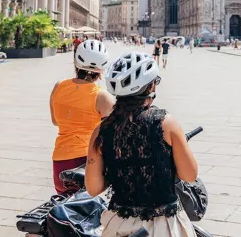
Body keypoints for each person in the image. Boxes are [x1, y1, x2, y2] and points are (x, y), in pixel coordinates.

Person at [86, 52, 199, 236]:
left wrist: (118, 169)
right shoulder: (166, 123)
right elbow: (190, 175)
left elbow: (93, 188)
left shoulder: (101, 131)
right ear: (151, 86)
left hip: (119, 225)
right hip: (164, 226)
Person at [49, 39, 116, 195]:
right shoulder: (102, 97)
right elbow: (115, 134)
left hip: (60, 162)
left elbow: (55, 121)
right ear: (101, 69)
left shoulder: (59, 86)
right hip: (86, 163)